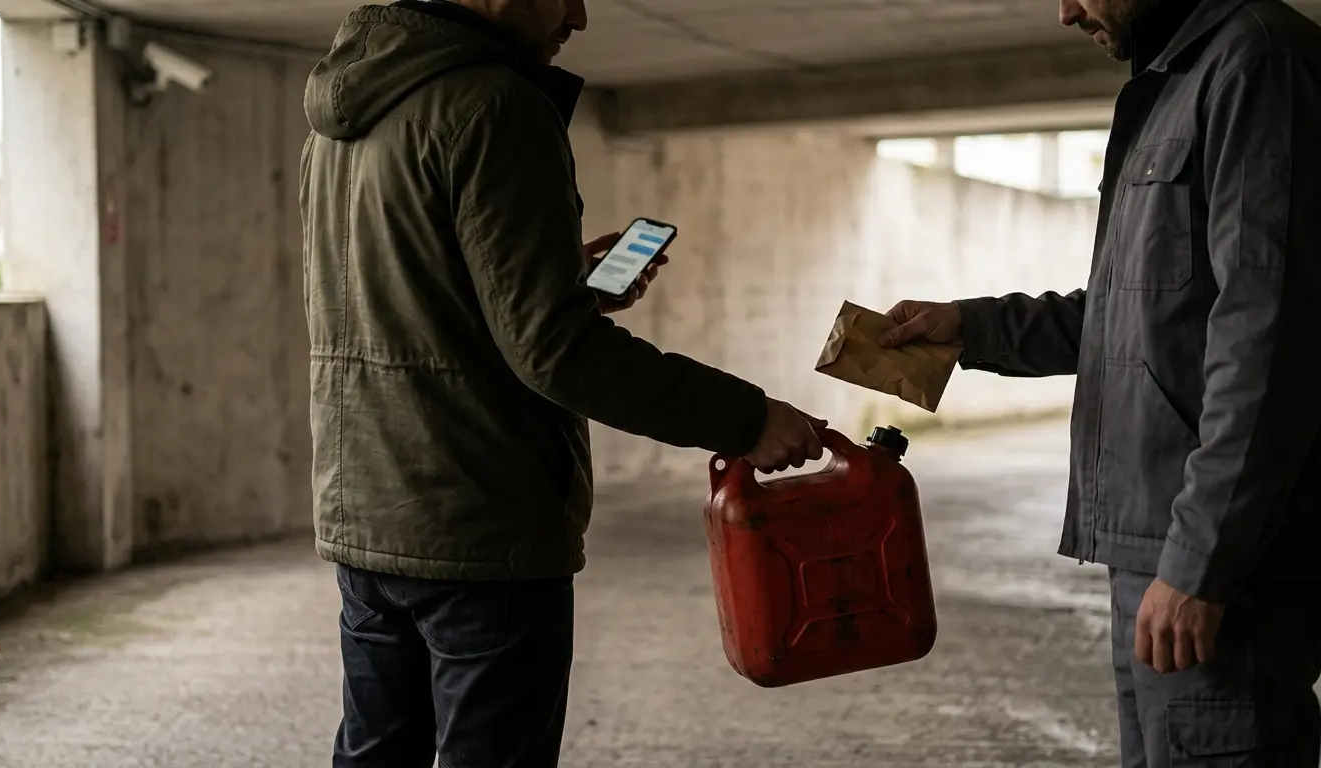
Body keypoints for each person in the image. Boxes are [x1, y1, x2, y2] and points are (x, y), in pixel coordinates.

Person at [299, 1, 827, 765]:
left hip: (368, 507)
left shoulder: (337, 119)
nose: (579, 16)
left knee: (378, 754)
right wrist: (746, 418)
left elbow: (401, 297)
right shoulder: (495, 104)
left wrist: (559, 274)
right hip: (479, 521)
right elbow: (555, 352)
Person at [880, 0, 1321, 764]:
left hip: (1226, 565)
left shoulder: (1258, 63)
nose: (1065, 12)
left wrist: (1200, 563)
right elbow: (1133, 315)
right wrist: (970, 326)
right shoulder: (1174, 83)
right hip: (1156, 548)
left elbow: (1270, 342)